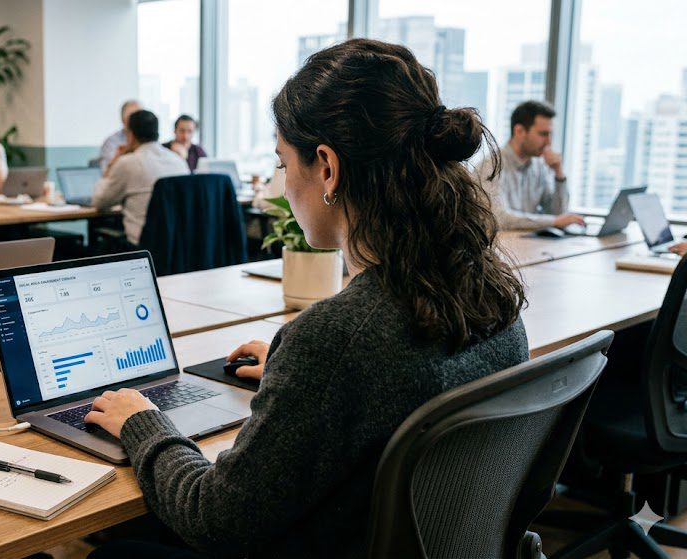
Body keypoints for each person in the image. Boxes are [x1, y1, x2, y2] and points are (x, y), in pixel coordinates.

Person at [84, 39, 528, 559]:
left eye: (282, 162)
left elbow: (213, 518)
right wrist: (299, 376)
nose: (282, 181)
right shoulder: (492, 296)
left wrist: (142, 420)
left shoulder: (337, 338)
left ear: (327, 168)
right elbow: (401, 374)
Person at [477, 100, 584, 230]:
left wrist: (559, 174)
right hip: (501, 246)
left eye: (551, 134)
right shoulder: (492, 166)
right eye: (543, 134)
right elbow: (499, 219)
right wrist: (554, 221)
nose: (549, 142)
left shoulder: (539, 167)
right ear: (519, 131)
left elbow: (558, 215)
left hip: (527, 244)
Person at [90, 109, 189, 246]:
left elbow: (99, 201)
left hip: (141, 248)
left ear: (130, 135)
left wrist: (113, 162)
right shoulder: (179, 161)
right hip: (177, 247)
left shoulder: (128, 163)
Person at [99, 99, 141, 169]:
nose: (138, 121)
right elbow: (108, 173)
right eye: (132, 117)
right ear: (123, 120)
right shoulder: (111, 143)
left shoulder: (149, 142)